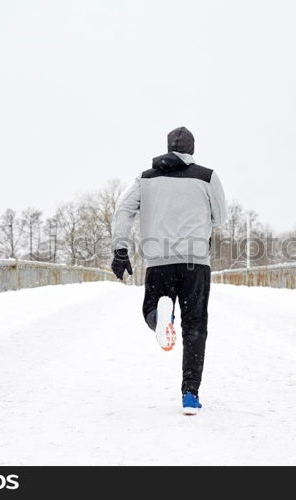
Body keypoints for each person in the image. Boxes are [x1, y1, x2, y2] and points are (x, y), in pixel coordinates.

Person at [111, 126, 226, 415]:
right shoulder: (207, 176)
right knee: (195, 327)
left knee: (151, 310)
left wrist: (120, 250)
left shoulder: (145, 179)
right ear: (192, 150)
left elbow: (123, 211)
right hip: (195, 263)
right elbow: (221, 218)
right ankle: (190, 394)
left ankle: (160, 317)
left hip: (159, 261)